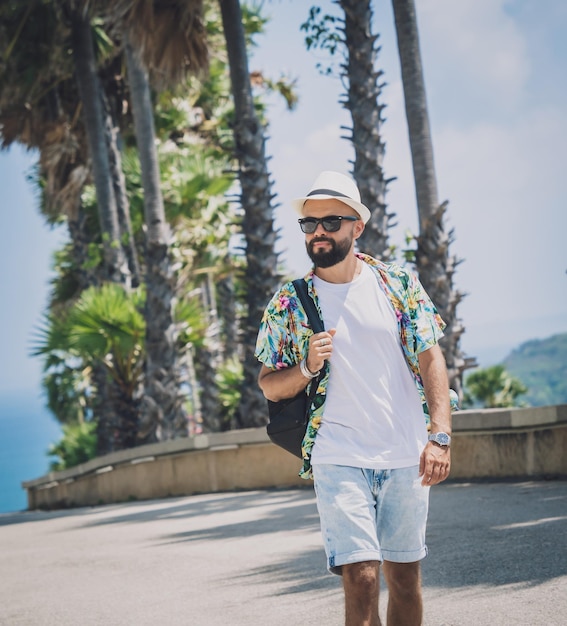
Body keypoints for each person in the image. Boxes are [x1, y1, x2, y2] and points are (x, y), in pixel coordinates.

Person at [255, 171, 455, 626]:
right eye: (309, 224)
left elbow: (431, 360)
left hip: (405, 453)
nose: (318, 231)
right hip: (337, 455)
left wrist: (439, 436)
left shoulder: (397, 284)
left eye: (330, 221)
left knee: (405, 580)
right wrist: (306, 367)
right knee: (362, 577)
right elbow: (268, 383)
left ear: (356, 226)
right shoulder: (289, 302)